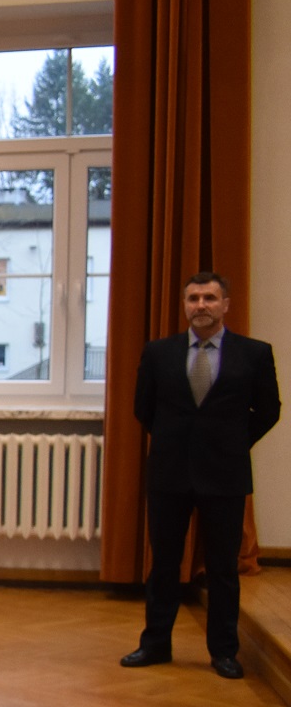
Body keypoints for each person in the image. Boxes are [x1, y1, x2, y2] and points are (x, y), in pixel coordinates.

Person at [120, 272, 280, 678]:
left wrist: (231, 443)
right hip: (169, 475)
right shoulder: (159, 353)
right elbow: (143, 408)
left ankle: (224, 652)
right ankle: (155, 644)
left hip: (225, 476)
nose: (201, 305)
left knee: (223, 569)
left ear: (226, 304)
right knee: (164, 565)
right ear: (185, 305)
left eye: (209, 298)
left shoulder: (254, 353)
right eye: (193, 298)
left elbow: (268, 410)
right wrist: (179, 442)